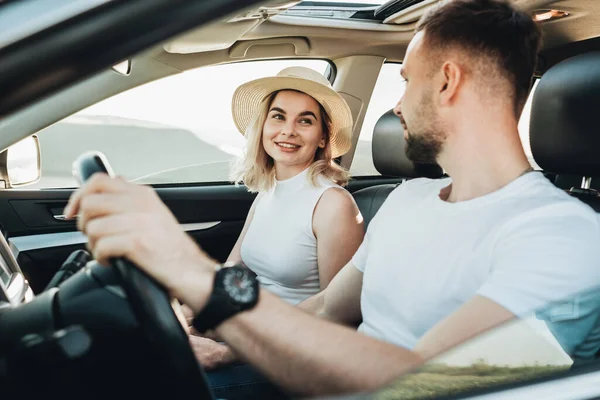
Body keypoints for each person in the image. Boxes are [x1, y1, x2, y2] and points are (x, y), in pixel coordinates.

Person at [65, 0, 600, 397]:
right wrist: (216, 331)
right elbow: (325, 307)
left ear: (446, 83)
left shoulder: (564, 236)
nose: (397, 104)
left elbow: (419, 382)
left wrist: (190, 272)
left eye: (407, 79)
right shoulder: (409, 200)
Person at [186, 67, 364, 398]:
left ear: (323, 137)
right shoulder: (268, 191)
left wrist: (228, 351)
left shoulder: (332, 204)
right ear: (264, 127)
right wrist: (191, 314)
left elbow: (337, 314)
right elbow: (233, 272)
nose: (288, 131)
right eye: (278, 117)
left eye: (305, 120)